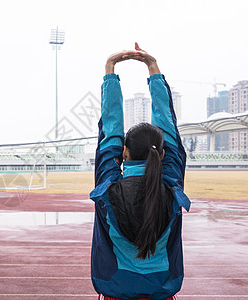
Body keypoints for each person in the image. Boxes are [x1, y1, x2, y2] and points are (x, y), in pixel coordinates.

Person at [90, 43, 191, 300]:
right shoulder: (170, 185)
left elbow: (110, 132)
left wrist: (110, 71)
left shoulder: (108, 187)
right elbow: (168, 126)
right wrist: (153, 67)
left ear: (123, 152)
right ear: (164, 154)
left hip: (115, 289)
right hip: (162, 290)